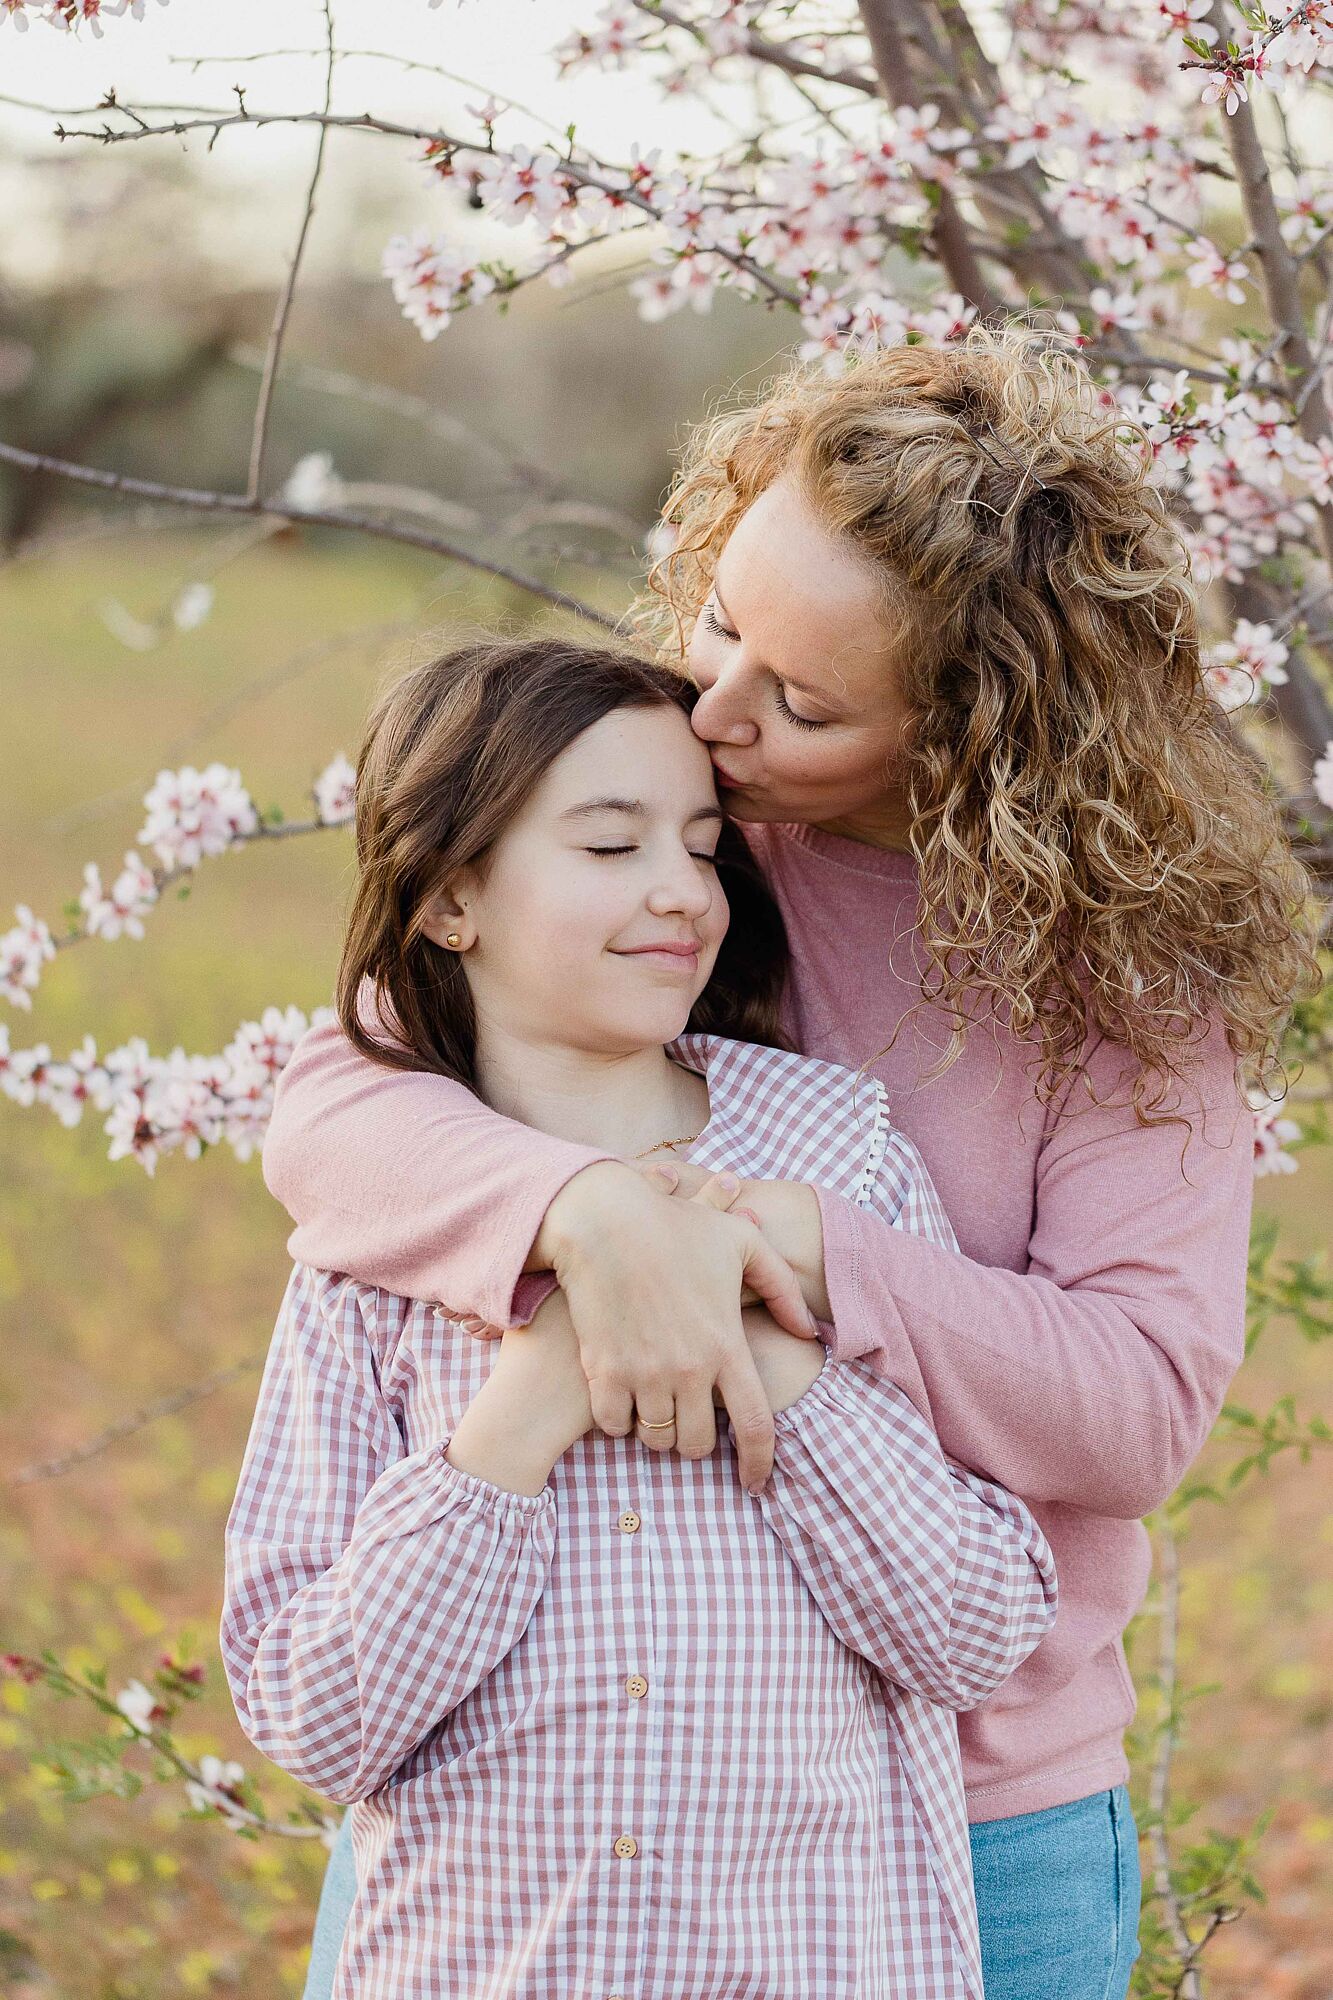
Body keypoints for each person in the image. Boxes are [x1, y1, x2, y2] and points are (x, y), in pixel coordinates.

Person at [263, 324, 1321, 2000]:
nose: (712, 704)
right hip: (538, 1811)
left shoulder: (1120, 974)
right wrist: (588, 1214)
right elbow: (343, 1098)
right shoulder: (680, 829)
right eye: (723, 621)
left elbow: (1130, 1406)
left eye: (802, 699)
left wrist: (796, 1260)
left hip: (971, 1813)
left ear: (976, 728)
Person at [222, 635, 1058, 2000]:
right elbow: (316, 1717)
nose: (682, 893)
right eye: (609, 849)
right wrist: (524, 1410)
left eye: (699, 844)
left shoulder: (832, 1152)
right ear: (448, 899)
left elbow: (972, 1635)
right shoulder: (384, 1226)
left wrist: (784, 1372)